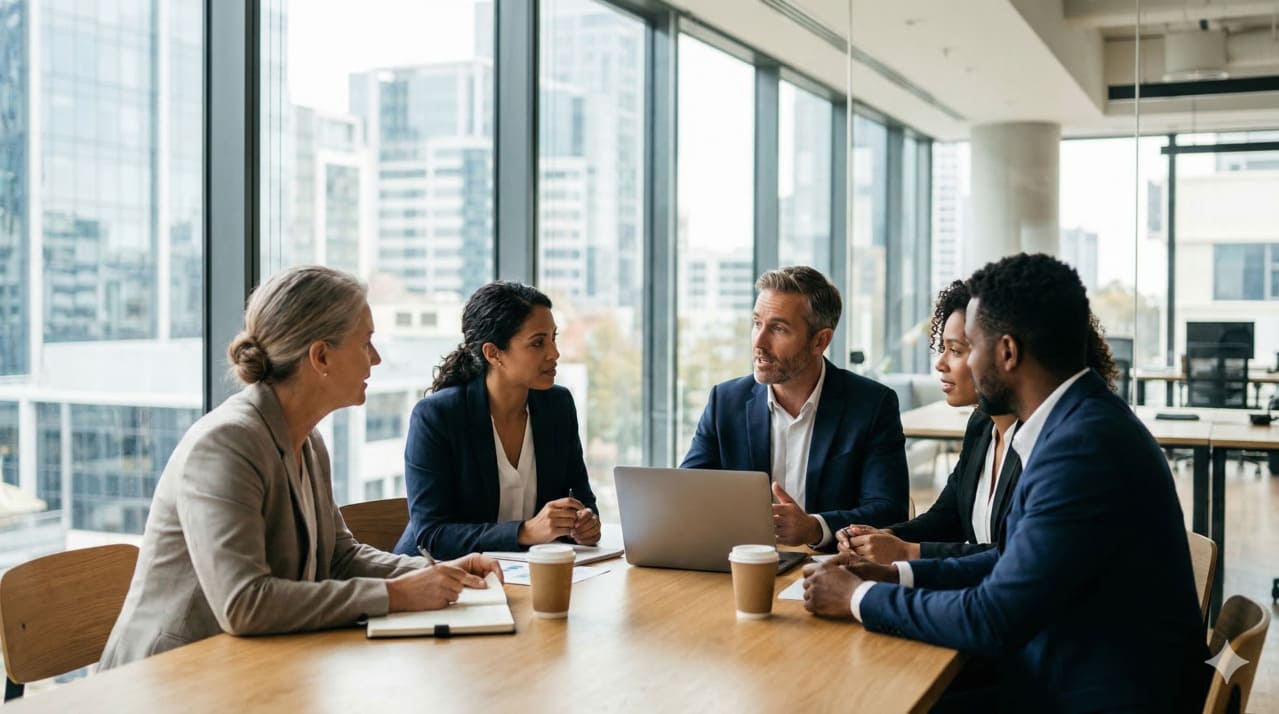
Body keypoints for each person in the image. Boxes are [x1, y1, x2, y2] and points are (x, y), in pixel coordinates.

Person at [803, 254, 1209, 712]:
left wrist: (858, 596)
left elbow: (992, 618)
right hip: (1067, 666)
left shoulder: (1083, 448)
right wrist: (894, 573)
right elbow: (1010, 559)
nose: (961, 363)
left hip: (1091, 692)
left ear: (1008, 353)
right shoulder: (1074, 424)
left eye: (967, 347)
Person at [100, 266, 501, 669]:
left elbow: (338, 557)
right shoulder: (224, 444)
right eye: (366, 343)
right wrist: (397, 595)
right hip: (167, 678)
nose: (376, 359)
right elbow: (244, 604)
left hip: (248, 666)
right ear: (321, 356)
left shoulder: (308, 441)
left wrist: (438, 573)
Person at [839, 281, 1121, 564]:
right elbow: (948, 517)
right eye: (944, 348)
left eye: (957, 350)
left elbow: (1016, 554)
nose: (941, 363)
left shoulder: (1051, 441)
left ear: (1008, 355)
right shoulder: (982, 425)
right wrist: (883, 537)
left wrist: (909, 553)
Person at [680, 266, 909, 549]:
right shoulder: (725, 401)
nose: (759, 342)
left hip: (833, 568)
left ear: (820, 341)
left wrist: (815, 528)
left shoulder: (872, 405)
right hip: (741, 564)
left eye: (778, 328)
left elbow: (888, 510)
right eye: (756, 323)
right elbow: (687, 494)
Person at [393, 282, 600, 561]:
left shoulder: (557, 406)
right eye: (538, 343)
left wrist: (584, 523)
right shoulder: (437, 416)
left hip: (523, 574)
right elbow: (433, 535)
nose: (554, 353)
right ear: (493, 353)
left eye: (553, 338)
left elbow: (582, 498)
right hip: (440, 578)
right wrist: (525, 531)